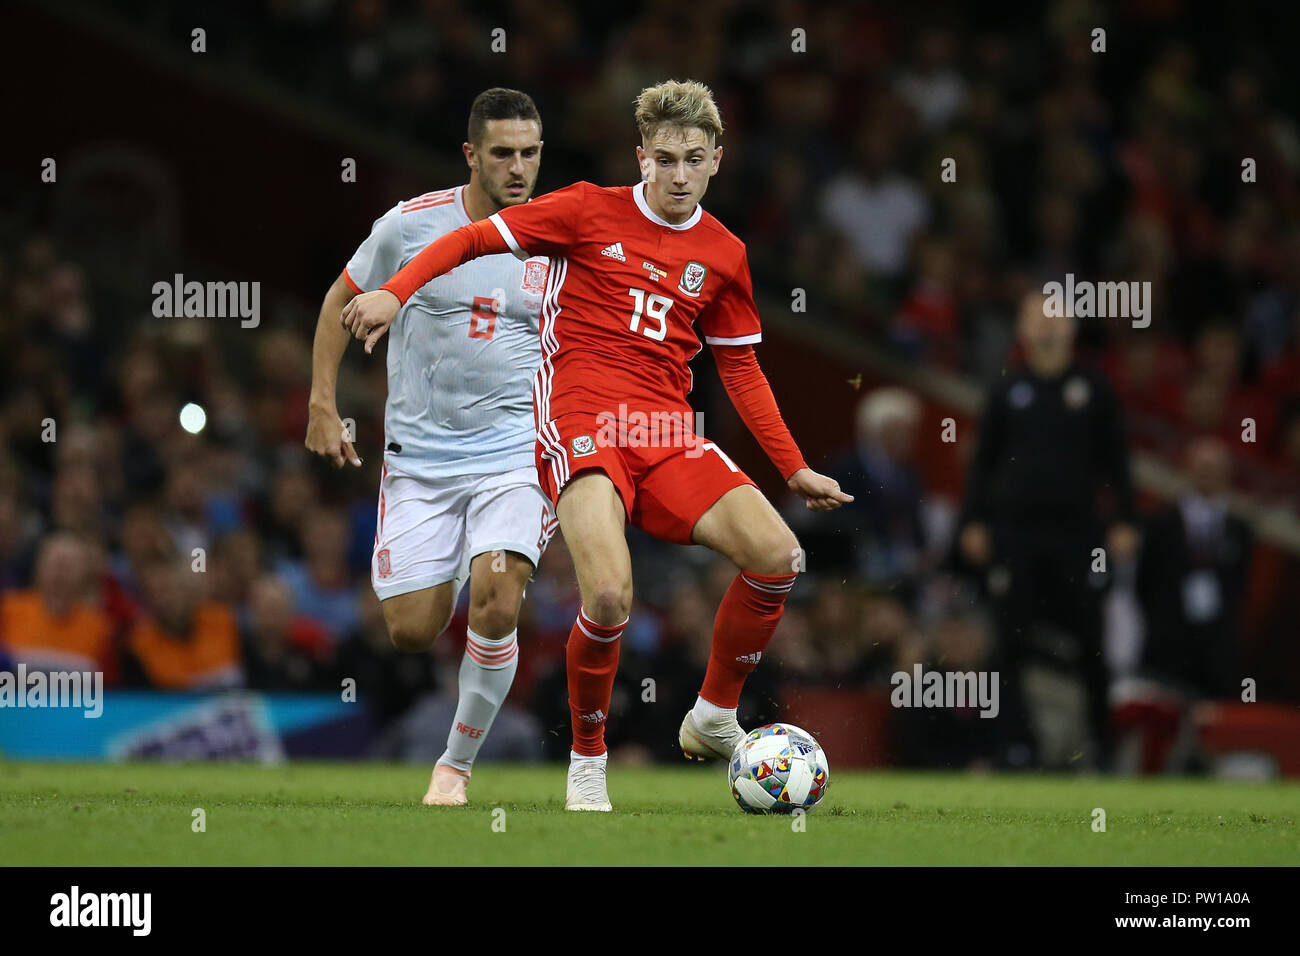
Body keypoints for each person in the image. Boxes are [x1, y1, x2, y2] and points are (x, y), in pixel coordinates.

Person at [342, 79, 851, 811]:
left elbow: (739, 367)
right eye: (666, 158)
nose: (679, 175)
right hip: (579, 420)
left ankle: (712, 714)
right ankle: (587, 760)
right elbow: (472, 237)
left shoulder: (725, 253)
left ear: (717, 162)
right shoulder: (586, 209)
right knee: (609, 594)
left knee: (779, 557)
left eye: (695, 160)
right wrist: (397, 290)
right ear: (641, 157)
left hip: (665, 432)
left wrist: (794, 466)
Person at [305, 88, 557, 806]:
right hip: (422, 459)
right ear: (472, 155)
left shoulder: (558, 235)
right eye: (503, 153)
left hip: (516, 452)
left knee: (499, 596)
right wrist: (324, 404)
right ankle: (451, 568)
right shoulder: (410, 226)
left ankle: (454, 767)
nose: (518, 167)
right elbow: (337, 301)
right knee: (413, 629)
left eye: (530, 153)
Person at [958, 292, 1138, 769]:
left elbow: (1117, 462)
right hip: (1016, 535)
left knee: (1090, 641)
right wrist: (973, 521)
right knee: (1008, 643)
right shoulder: (1007, 390)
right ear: (1021, 330)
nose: (1047, 326)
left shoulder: (1094, 389)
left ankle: (1100, 746)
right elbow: (983, 464)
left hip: (1078, 536)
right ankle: (1016, 746)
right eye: (1036, 317)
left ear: (1073, 329)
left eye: (1056, 317)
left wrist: (1125, 519)